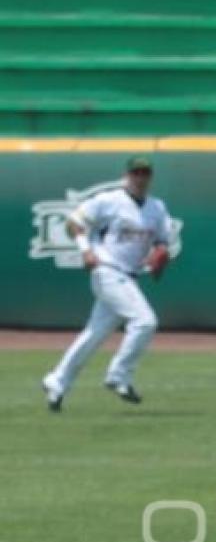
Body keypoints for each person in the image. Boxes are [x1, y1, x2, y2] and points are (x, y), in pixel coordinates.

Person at [41, 155, 173, 411]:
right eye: (136, 173)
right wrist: (85, 250)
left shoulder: (157, 207)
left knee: (93, 334)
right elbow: (74, 223)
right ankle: (118, 376)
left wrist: (160, 252)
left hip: (128, 276)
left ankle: (56, 381)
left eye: (145, 173)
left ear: (151, 177)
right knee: (145, 321)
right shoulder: (110, 200)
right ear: (127, 175)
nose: (141, 177)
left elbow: (162, 239)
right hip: (107, 271)